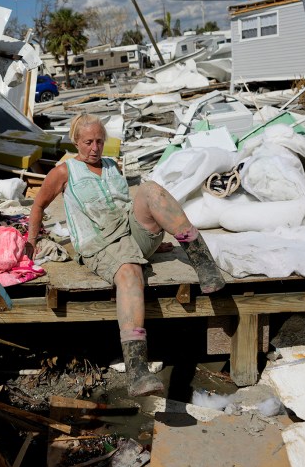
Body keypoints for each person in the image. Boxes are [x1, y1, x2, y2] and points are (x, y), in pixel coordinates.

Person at [25, 113, 198, 397]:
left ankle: (200, 257)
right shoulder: (64, 172)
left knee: (150, 189)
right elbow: (38, 205)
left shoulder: (111, 165)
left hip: (130, 235)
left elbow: (127, 207)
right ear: (76, 142)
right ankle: (137, 370)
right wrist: (31, 240)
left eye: (99, 141)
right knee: (130, 272)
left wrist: (154, 240)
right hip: (101, 246)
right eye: (88, 142)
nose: (95, 148)